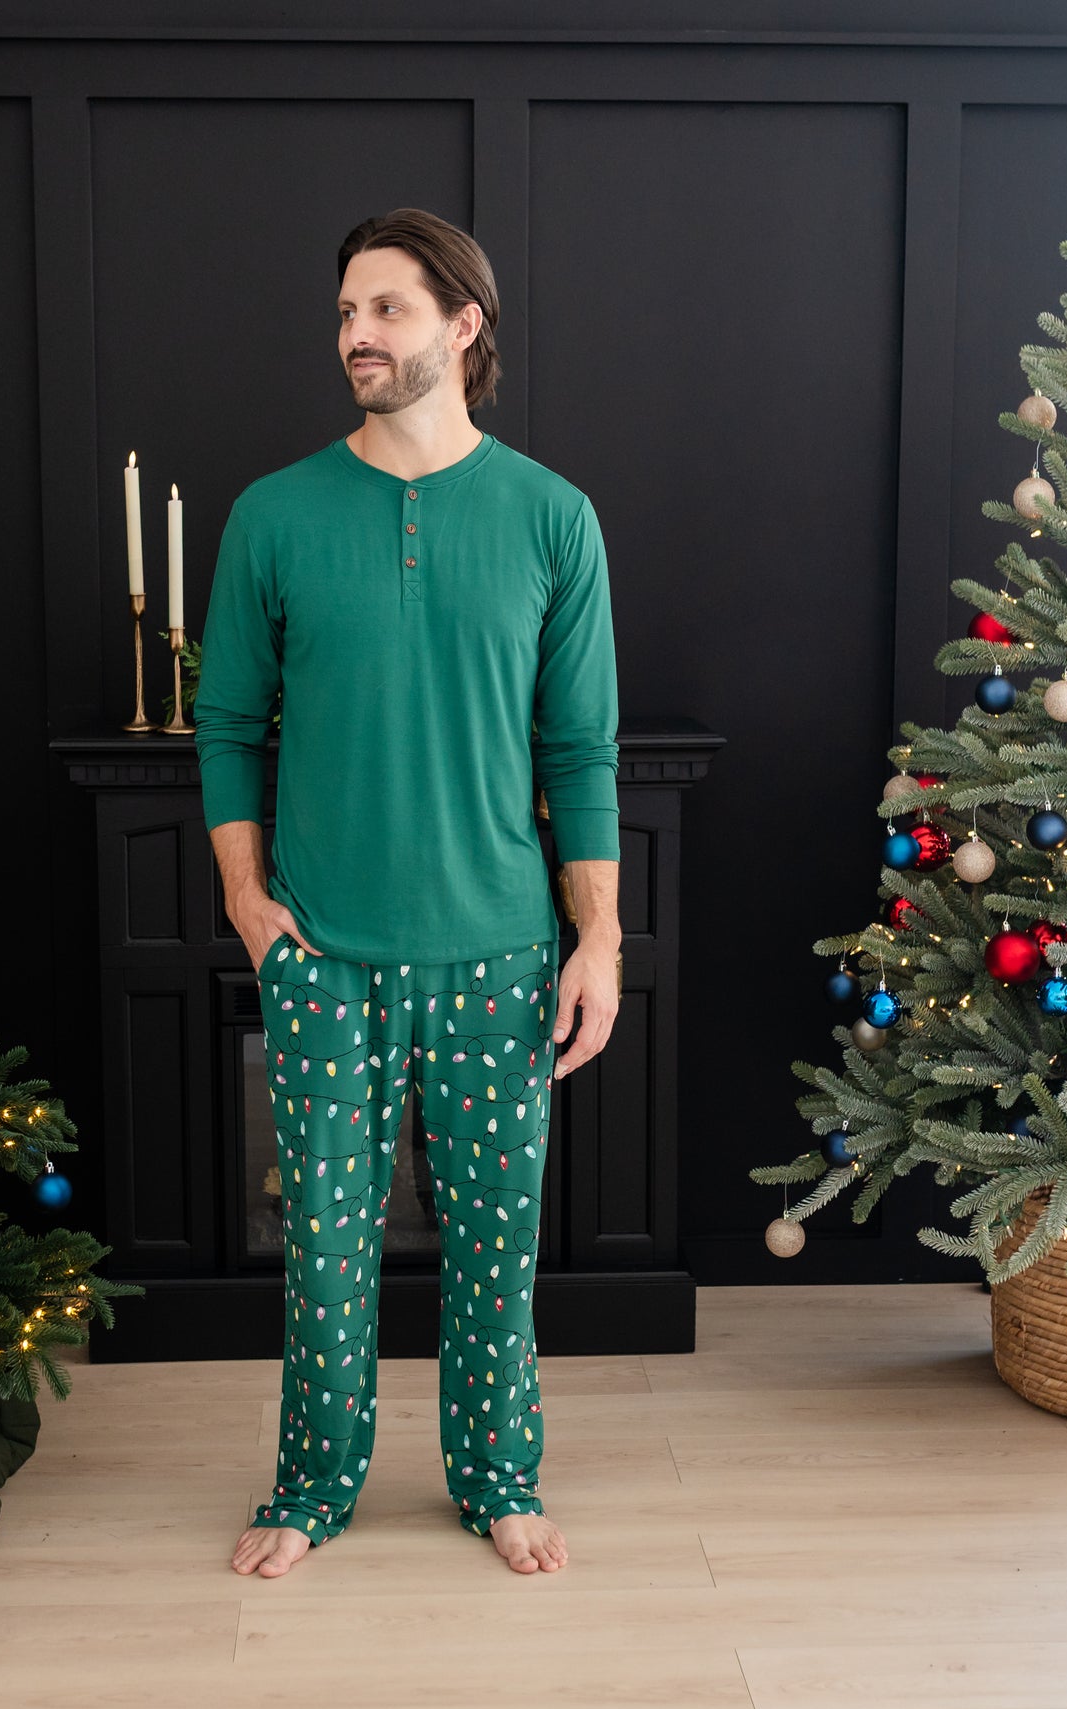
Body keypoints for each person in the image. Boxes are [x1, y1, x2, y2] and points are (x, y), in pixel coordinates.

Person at [193, 207, 621, 1580]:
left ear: (462, 326)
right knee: (325, 1250)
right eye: (345, 315)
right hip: (324, 952)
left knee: (497, 1254)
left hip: (501, 949)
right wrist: (252, 912)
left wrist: (598, 935)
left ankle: (499, 1478)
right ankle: (313, 1486)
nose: (356, 337)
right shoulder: (274, 514)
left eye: (385, 310)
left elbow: (579, 750)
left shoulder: (554, 518)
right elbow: (226, 731)